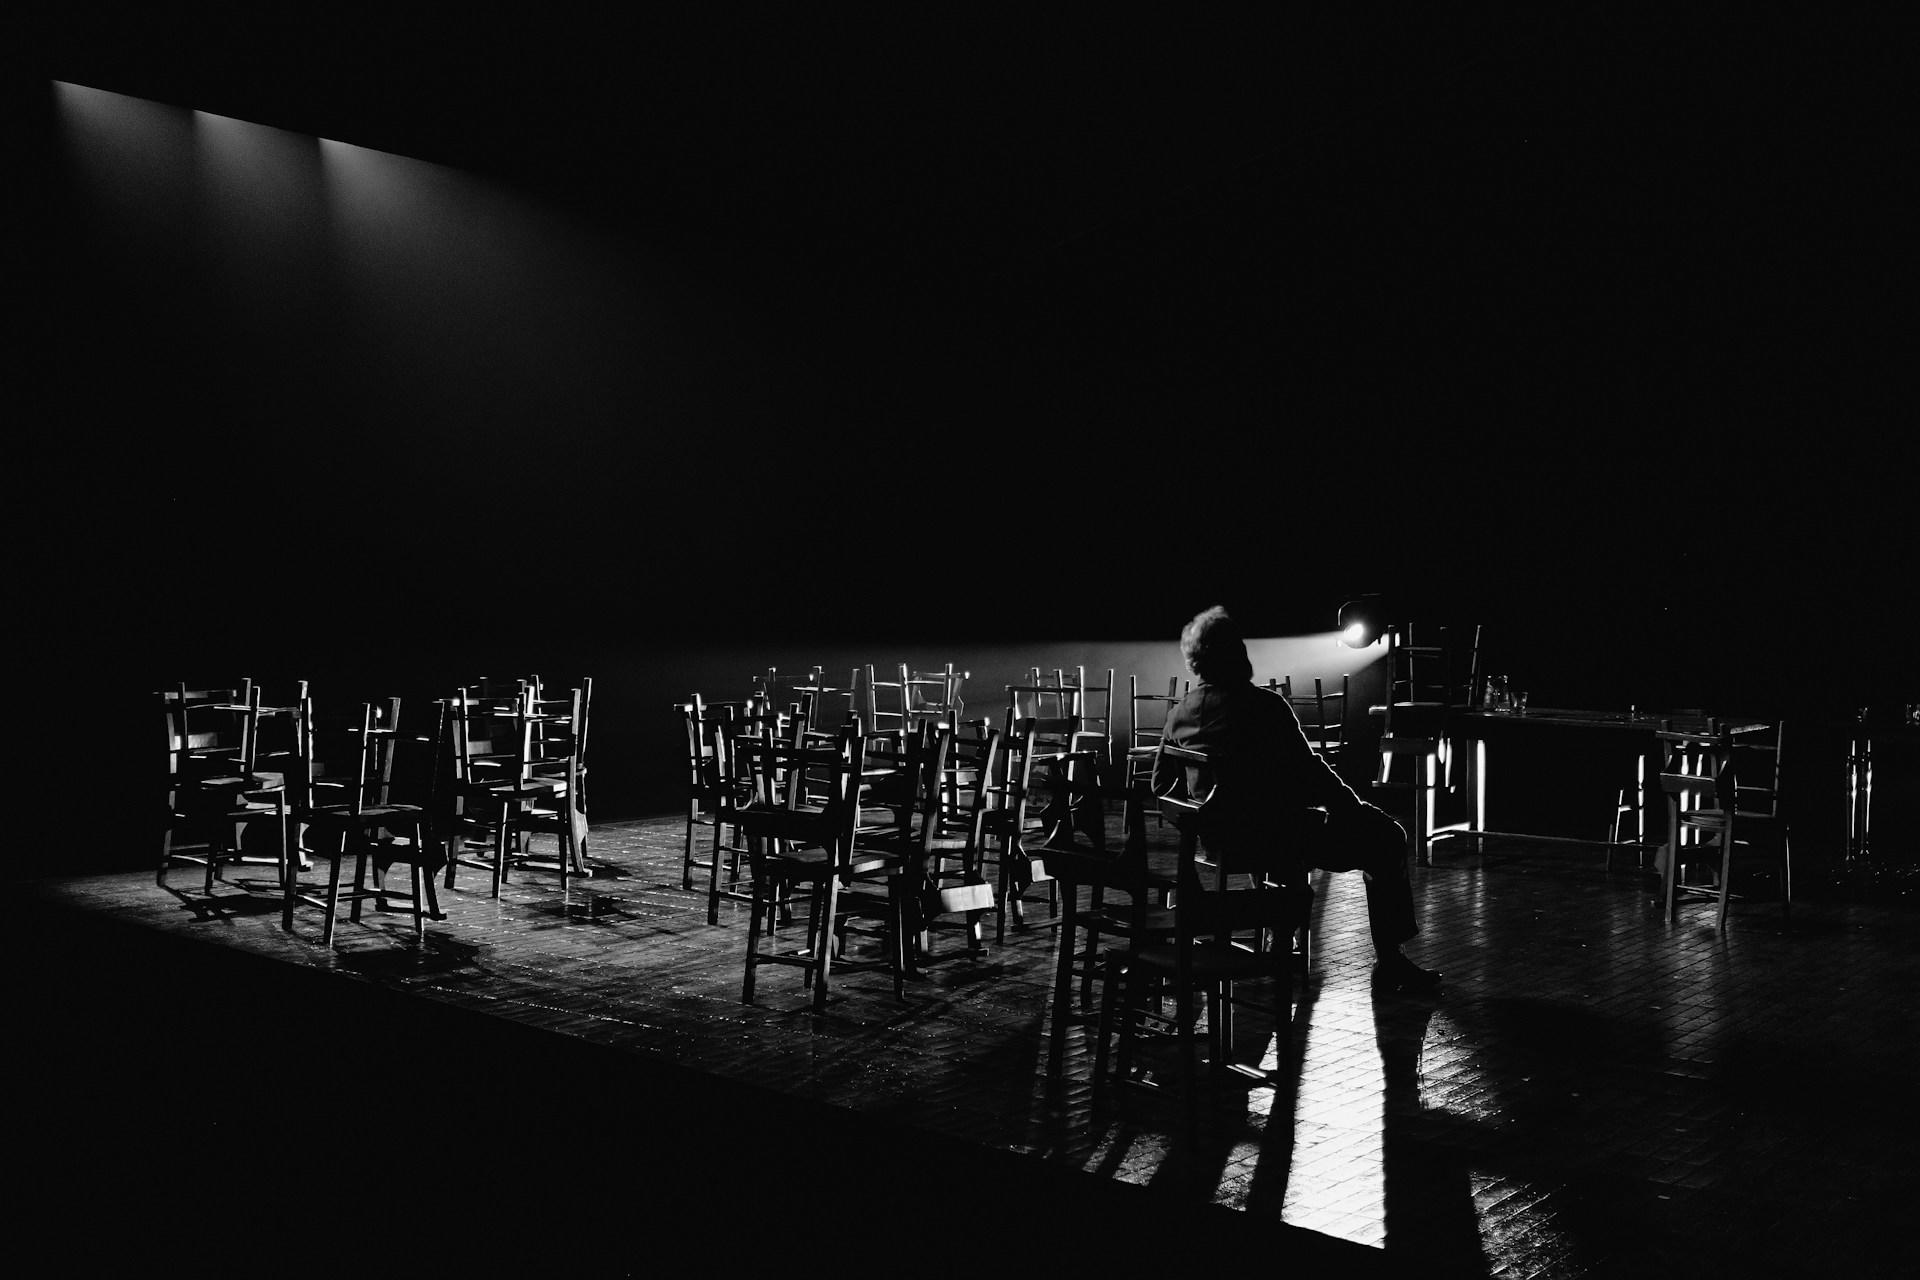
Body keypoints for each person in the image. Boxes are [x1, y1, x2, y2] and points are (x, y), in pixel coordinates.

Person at [1152, 604, 1442, 995]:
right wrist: (1355, 811)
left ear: (1196, 663)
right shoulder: (1265, 708)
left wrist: (1201, 821)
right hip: (1276, 839)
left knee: (1293, 822)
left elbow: (1160, 787)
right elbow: (1311, 774)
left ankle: (1280, 933)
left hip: (1217, 842)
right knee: (1387, 837)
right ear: (1237, 654)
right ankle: (1390, 959)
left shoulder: (1179, 715)